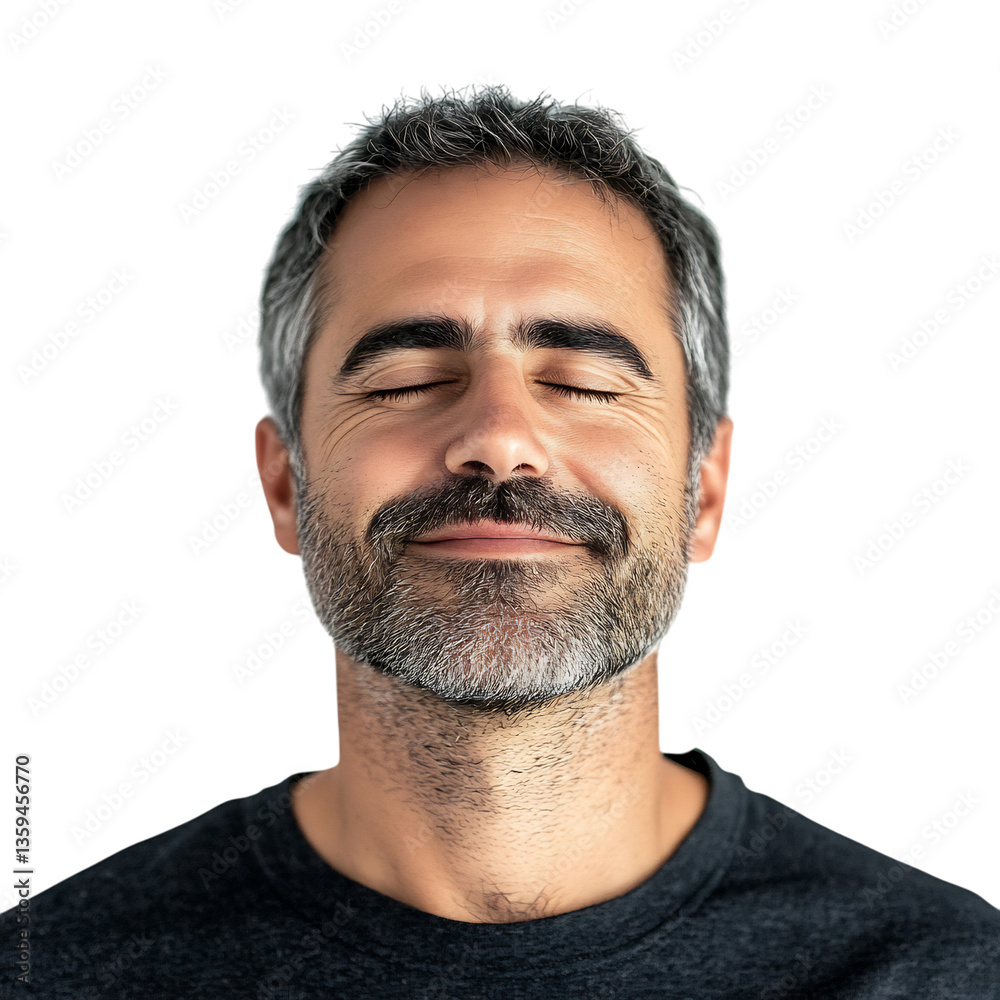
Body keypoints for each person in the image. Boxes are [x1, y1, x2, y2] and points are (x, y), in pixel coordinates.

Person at [3, 85, 998, 999]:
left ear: (703, 486)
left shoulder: (946, 974)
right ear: (283, 483)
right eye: (402, 381)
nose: (498, 439)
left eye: (582, 382)